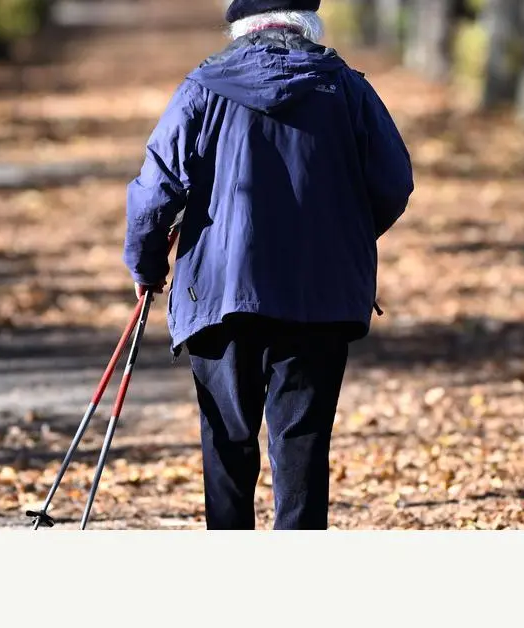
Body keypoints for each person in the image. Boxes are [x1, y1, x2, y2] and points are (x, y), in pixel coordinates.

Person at [122, 0, 413, 529]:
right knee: (302, 447)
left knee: (227, 446)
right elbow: (394, 183)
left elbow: (155, 188)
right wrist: (338, 237)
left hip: (221, 295)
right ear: (308, 21)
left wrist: (146, 265)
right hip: (319, 297)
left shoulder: (202, 89)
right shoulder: (347, 88)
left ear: (240, 26)